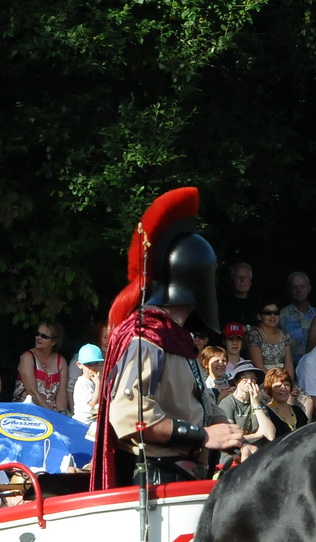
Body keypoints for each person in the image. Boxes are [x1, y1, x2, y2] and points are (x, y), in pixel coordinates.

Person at [93, 189, 243, 488]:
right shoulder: (146, 337)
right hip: (154, 483)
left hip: (186, 476)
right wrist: (203, 435)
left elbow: (202, 407)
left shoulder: (178, 340)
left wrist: (233, 438)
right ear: (196, 278)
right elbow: (129, 417)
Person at [17, 321, 68, 411]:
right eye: (37, 334)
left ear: (54, 341)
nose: (38, 338)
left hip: (53, 411)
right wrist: (51, 414)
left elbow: (62, 393)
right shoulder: (27, 357)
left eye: (44, 336)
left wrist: (62, 412)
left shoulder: (61, 361)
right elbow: (32, 393)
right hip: (27, 409)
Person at [243, 300, 296, 379]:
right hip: (265, 380)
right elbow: (258, 365)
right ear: (259, 316)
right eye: (268, 313)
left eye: (276, 313)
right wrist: (276, 381)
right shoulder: (254, 335)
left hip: (284, 379)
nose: (272, 316)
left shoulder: (285, 335)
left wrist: (289, 382)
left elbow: (288, 363)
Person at [257, 367, 308, 440]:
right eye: (278, 386)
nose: (283, 388)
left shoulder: (298, 410)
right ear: (270, 389)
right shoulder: (266, 412)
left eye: (286, 385)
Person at [219, 261, 261, 344]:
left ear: (250, 282)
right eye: (238, 277)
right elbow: (225, 330)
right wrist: (248, 328)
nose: (242, 280)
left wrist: (241, 328)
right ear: (231, 281)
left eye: (246, 277)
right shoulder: (223, 304)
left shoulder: (258, 304)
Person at [280, 271, 316, 360]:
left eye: (302, 286)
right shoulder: (282, 315)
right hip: (291, 367)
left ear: (309, 288)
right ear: (289, 290)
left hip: (315, 367)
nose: (299, 290)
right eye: (295, 287)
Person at [71, 344, 104, 423]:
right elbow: (92, 403)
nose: (93, 368)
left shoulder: (96, 381)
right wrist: (98, 384)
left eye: (97, 363)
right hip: (82, 422)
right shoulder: (82, 383)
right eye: (89, 364)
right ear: (79, 365)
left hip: (93, 422)